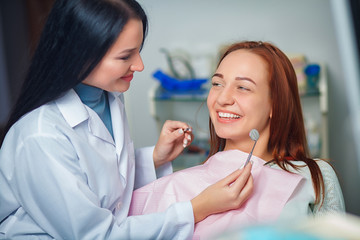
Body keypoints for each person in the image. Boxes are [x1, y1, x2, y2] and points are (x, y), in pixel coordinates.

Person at [0, 1, 254, 239]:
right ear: (79, 55)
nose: (140, 66)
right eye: (125, 56)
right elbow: (97, 234)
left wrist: (156, 157)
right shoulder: (40, 136)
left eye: (138, 51)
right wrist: (198, 208)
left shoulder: (109, 98)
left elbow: (104, 184)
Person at [128, 41, 345, 239]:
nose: (222, 98)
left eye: (243, 87)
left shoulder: (314, 176)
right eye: (217, 84)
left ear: (275, 104)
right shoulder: (180, 188)